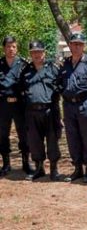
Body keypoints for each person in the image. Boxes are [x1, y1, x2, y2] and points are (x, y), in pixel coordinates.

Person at [11, 41, 62, 181]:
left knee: (52, 140)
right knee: (35, 141)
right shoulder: (25, 71)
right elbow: (20, 90)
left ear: (44, 52)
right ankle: (39, 168)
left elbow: (61, 86)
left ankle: (54, 169)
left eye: (39, 51)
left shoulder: (53, 68)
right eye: (33, 52)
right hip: (31, 112)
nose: (36, 54)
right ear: (30, 54)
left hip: (50, 111)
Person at [59, 33, 87, 184]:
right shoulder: (64, 64)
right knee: (72, 137)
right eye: (74, 44)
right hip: (68, 105)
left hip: (85, 104)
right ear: (69, 45)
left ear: (84, 46)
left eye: (79, 44)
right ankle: (77, 168)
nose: (76, 46)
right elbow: (59, 83)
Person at [0, 36, 33, 176]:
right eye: (8, 46)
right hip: (2, 105)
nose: (11, 49)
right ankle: (6, 164)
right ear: (4, 48)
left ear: (17, 48)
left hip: (20, 105)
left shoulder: (24, 64)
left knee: (23, 134)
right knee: (2, 135)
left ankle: (26, 163)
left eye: (13, 46)